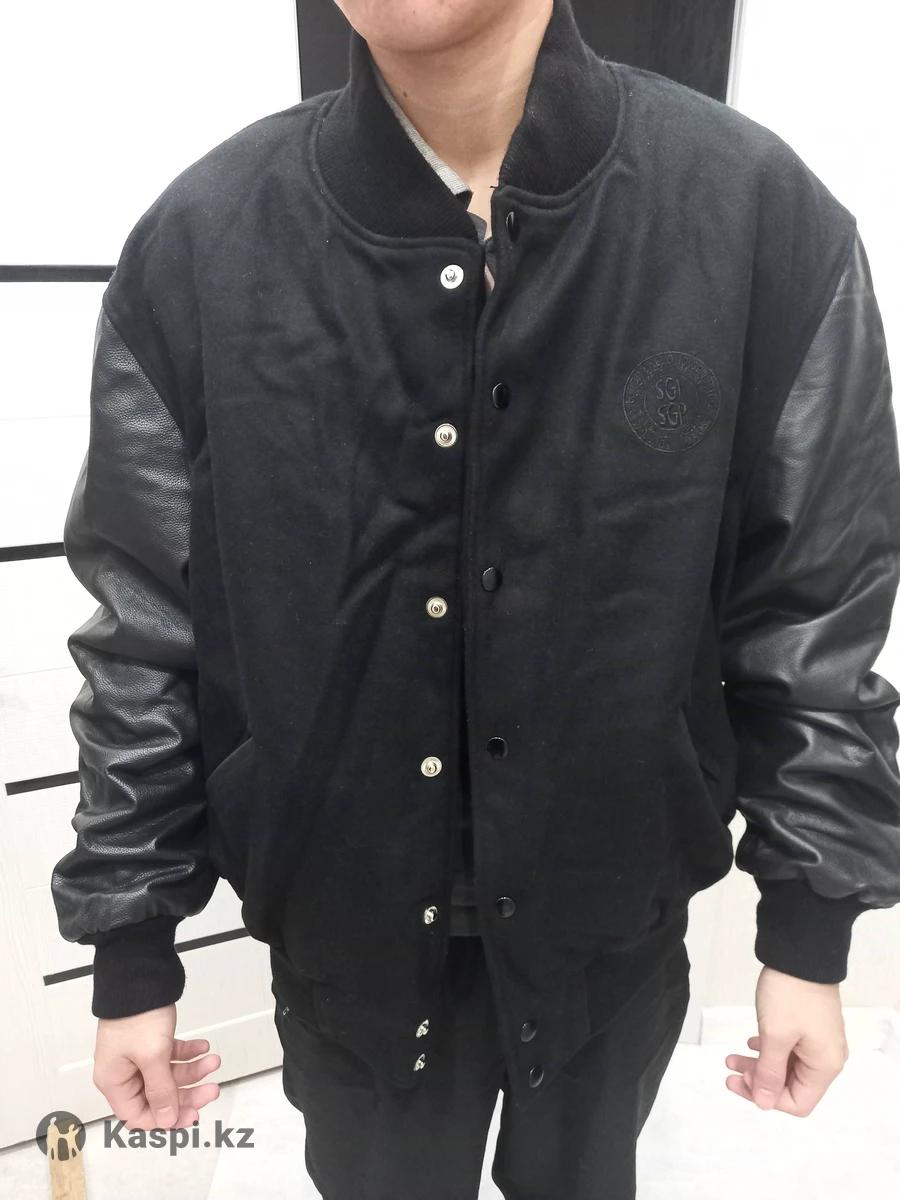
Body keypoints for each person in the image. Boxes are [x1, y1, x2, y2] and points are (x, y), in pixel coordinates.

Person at [51, 0, 900, 1196]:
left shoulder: (756, 215)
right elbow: (147, 627)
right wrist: (132, 948)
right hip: (341, 948)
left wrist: (810, 926)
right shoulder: (204, 242)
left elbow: (814, 604)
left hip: (612, 932)